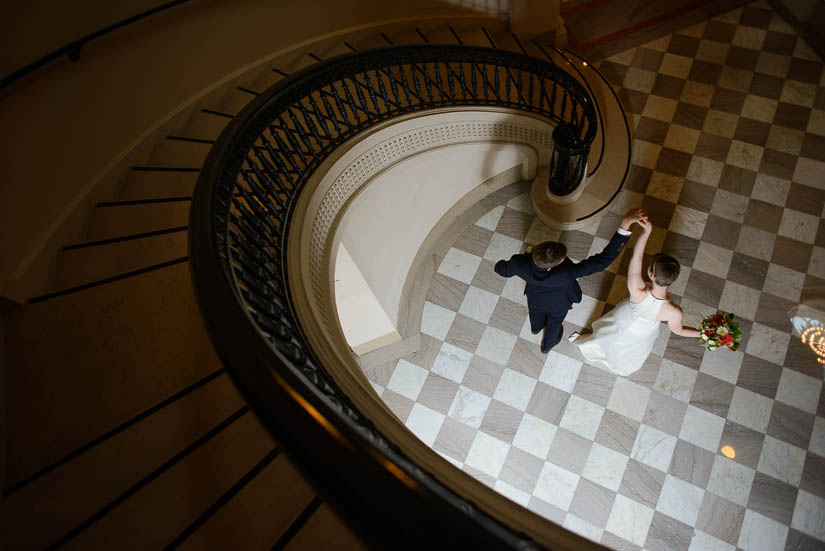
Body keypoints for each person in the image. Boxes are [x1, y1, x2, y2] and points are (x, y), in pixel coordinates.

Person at [494, 208, 647, 353]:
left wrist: (499, 266)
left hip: (535, 297)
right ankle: (547, 345)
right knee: (555, 322)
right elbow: (602, 261)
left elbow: (503, 269)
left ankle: (536, 327)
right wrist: (625, 226)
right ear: (550, 267)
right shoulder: (567, 273)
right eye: (562, 259)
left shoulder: (519, 264)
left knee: (535, 311)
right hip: (560, 303)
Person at [571, 217, 701, 376]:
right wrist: (703, 333)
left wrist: (647, 232)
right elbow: (679, 330)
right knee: (629, 348)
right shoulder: (674, 312)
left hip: (623, 318)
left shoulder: (637, 290)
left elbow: (637, 257)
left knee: (611, 334)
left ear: (651, 274)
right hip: (643, 333)